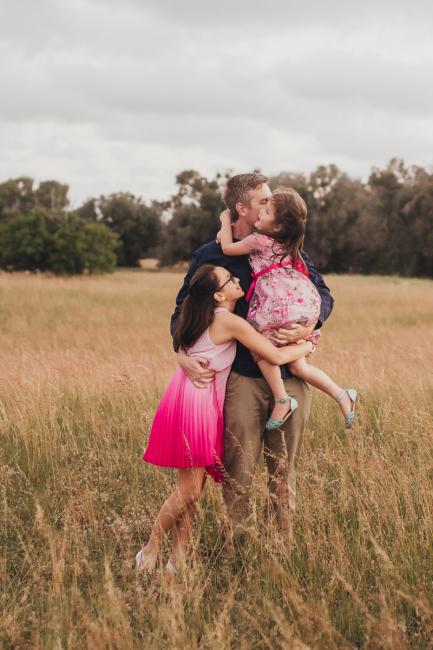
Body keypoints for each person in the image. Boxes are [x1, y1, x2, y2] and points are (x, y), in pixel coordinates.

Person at [171, 173, 334, 534]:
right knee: (238, 472)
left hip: (291, 378)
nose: (270, 205)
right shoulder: (212, 256)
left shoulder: (288, 248)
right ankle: (237, 550)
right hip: (241, 379)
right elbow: (182, 310)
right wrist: (181, 354)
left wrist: (310, 326)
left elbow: (324, 295)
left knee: (283, 471)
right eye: (263, 201)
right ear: (242, 209)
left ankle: (280, 549)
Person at [136, 264, 315, 571]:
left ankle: (178, 557)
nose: (238, 279)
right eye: (230, 280)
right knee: (190, 490)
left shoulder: (203, 316)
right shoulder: (228, 321)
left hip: (191, 398)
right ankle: (150, 549)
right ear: (219, 295)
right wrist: (306, 344)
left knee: (195, 487)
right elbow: (272, 355)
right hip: (196, 403)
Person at [219, 187, 357, 430]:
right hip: (302, 304)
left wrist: (223, 223)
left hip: (277, 306)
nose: (262, 211)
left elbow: (228, 249)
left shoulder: (259, 240)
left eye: (268, 209)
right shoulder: (291, 247)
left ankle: (282, 398)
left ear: (277, 227)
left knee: (260, 343)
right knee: (299, 365)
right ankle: (341, 394)